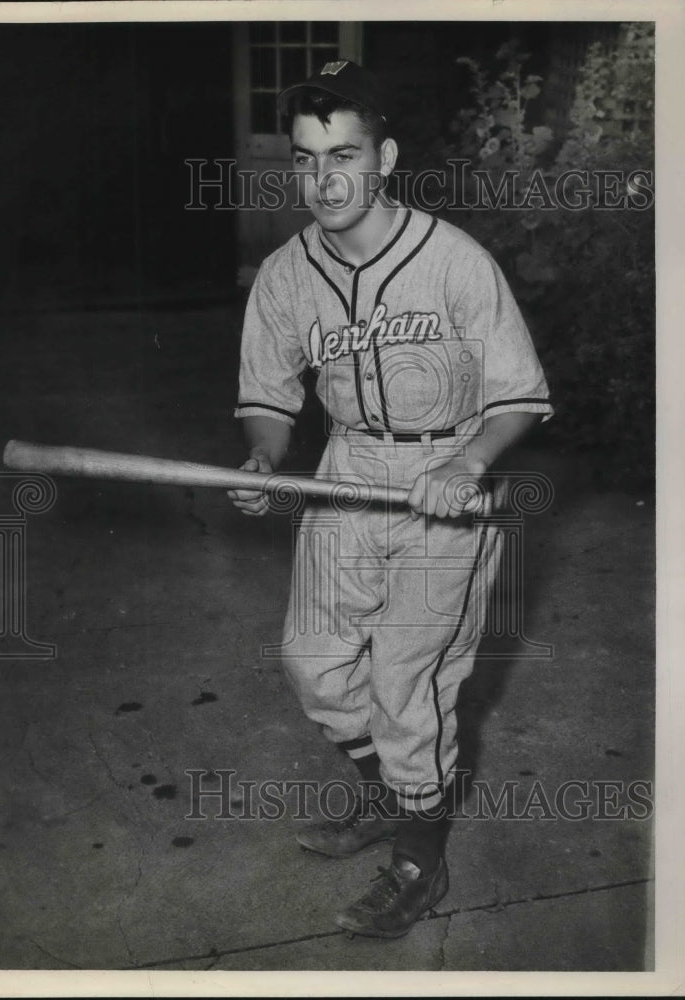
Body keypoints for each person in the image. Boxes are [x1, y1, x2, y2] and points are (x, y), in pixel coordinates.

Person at [228, 59, 553, 939]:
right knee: (314, 663)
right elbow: (268, 398)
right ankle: (391, 798)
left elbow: (519, 395)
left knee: (408, 682)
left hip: (448, 476)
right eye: (305, 158)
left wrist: (468, 465)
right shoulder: (285, 275)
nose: (325, 178)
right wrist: (263, 460)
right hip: (346, 470)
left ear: (385, 157)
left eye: (344, 153)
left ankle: (419, 861)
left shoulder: (453, 261)